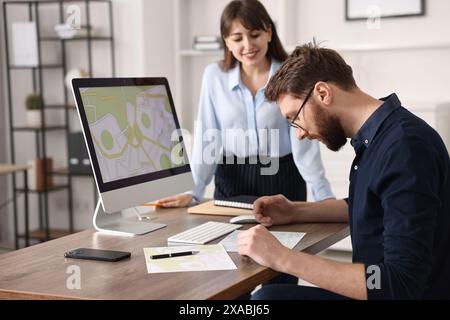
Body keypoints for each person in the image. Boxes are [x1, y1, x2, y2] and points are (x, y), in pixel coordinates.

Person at [236, 42, 450, 300]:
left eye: (296, 118)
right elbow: (374, 206)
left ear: (323, 93)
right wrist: (296, 210)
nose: (300, 134)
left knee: (265, 300)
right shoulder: (380, 137)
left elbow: (399, 282)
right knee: (269, 294)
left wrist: (281, 257)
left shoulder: (405, 148)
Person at [157, 0, 334, 208]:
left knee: (283, 241)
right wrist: (193, 191)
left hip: (282, 180)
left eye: (255, 35)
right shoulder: (214, 76)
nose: (248, 46)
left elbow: (304, 143)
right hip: (231, 181)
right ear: (227, 42)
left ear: (268, 32)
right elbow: (208, 138)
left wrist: (324, 196)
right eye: (237, 38)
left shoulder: (290, 76)